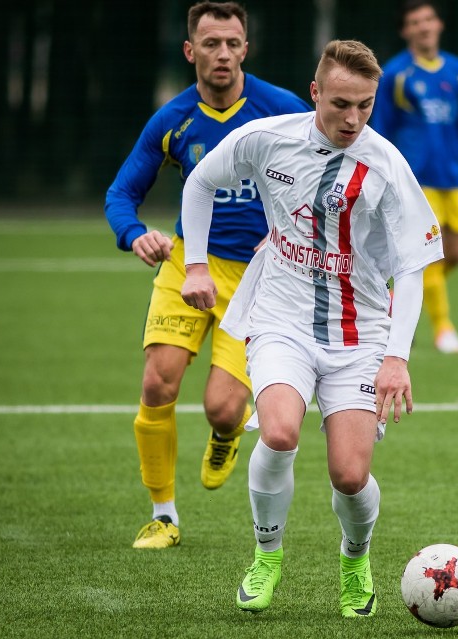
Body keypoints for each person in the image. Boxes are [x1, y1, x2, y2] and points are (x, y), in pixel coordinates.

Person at [180, 40, 443, 618]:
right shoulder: (268, 138)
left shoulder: (386, 165)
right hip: (281, 318)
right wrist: (196, 263)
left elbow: (413, 268)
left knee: (349, 475)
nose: (352, 119)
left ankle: (355, 559)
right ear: (315, 92)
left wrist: (396, 357)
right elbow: (199, 182)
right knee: (277, 432)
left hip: (362, 333)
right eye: (340, 104)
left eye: (366, 107)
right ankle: (267, 555)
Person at [104, 1, 309, 550]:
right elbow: (123, 192)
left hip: (261, 277)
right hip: (186, 264)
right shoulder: (173, 120)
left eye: (233, 44)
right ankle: (164, 516)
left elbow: (320, 171)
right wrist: (135, 232)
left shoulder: (282, 111)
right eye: (211, 44)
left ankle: (224, 435)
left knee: (223, 407)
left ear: (247, 49)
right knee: (156, 382)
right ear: (191, 51)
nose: (223, 54)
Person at [371, 0, 458, 354]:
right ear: (405, 31)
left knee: (455, 254)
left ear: (439, 24)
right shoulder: (395, 74)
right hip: (416, 180)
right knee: (430, 256)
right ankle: (443, 328)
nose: (423, 26)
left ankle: (398, 295)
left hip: (453, 177)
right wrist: (383, 175)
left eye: (428, 19)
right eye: (414, 22)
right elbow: (380, 130)